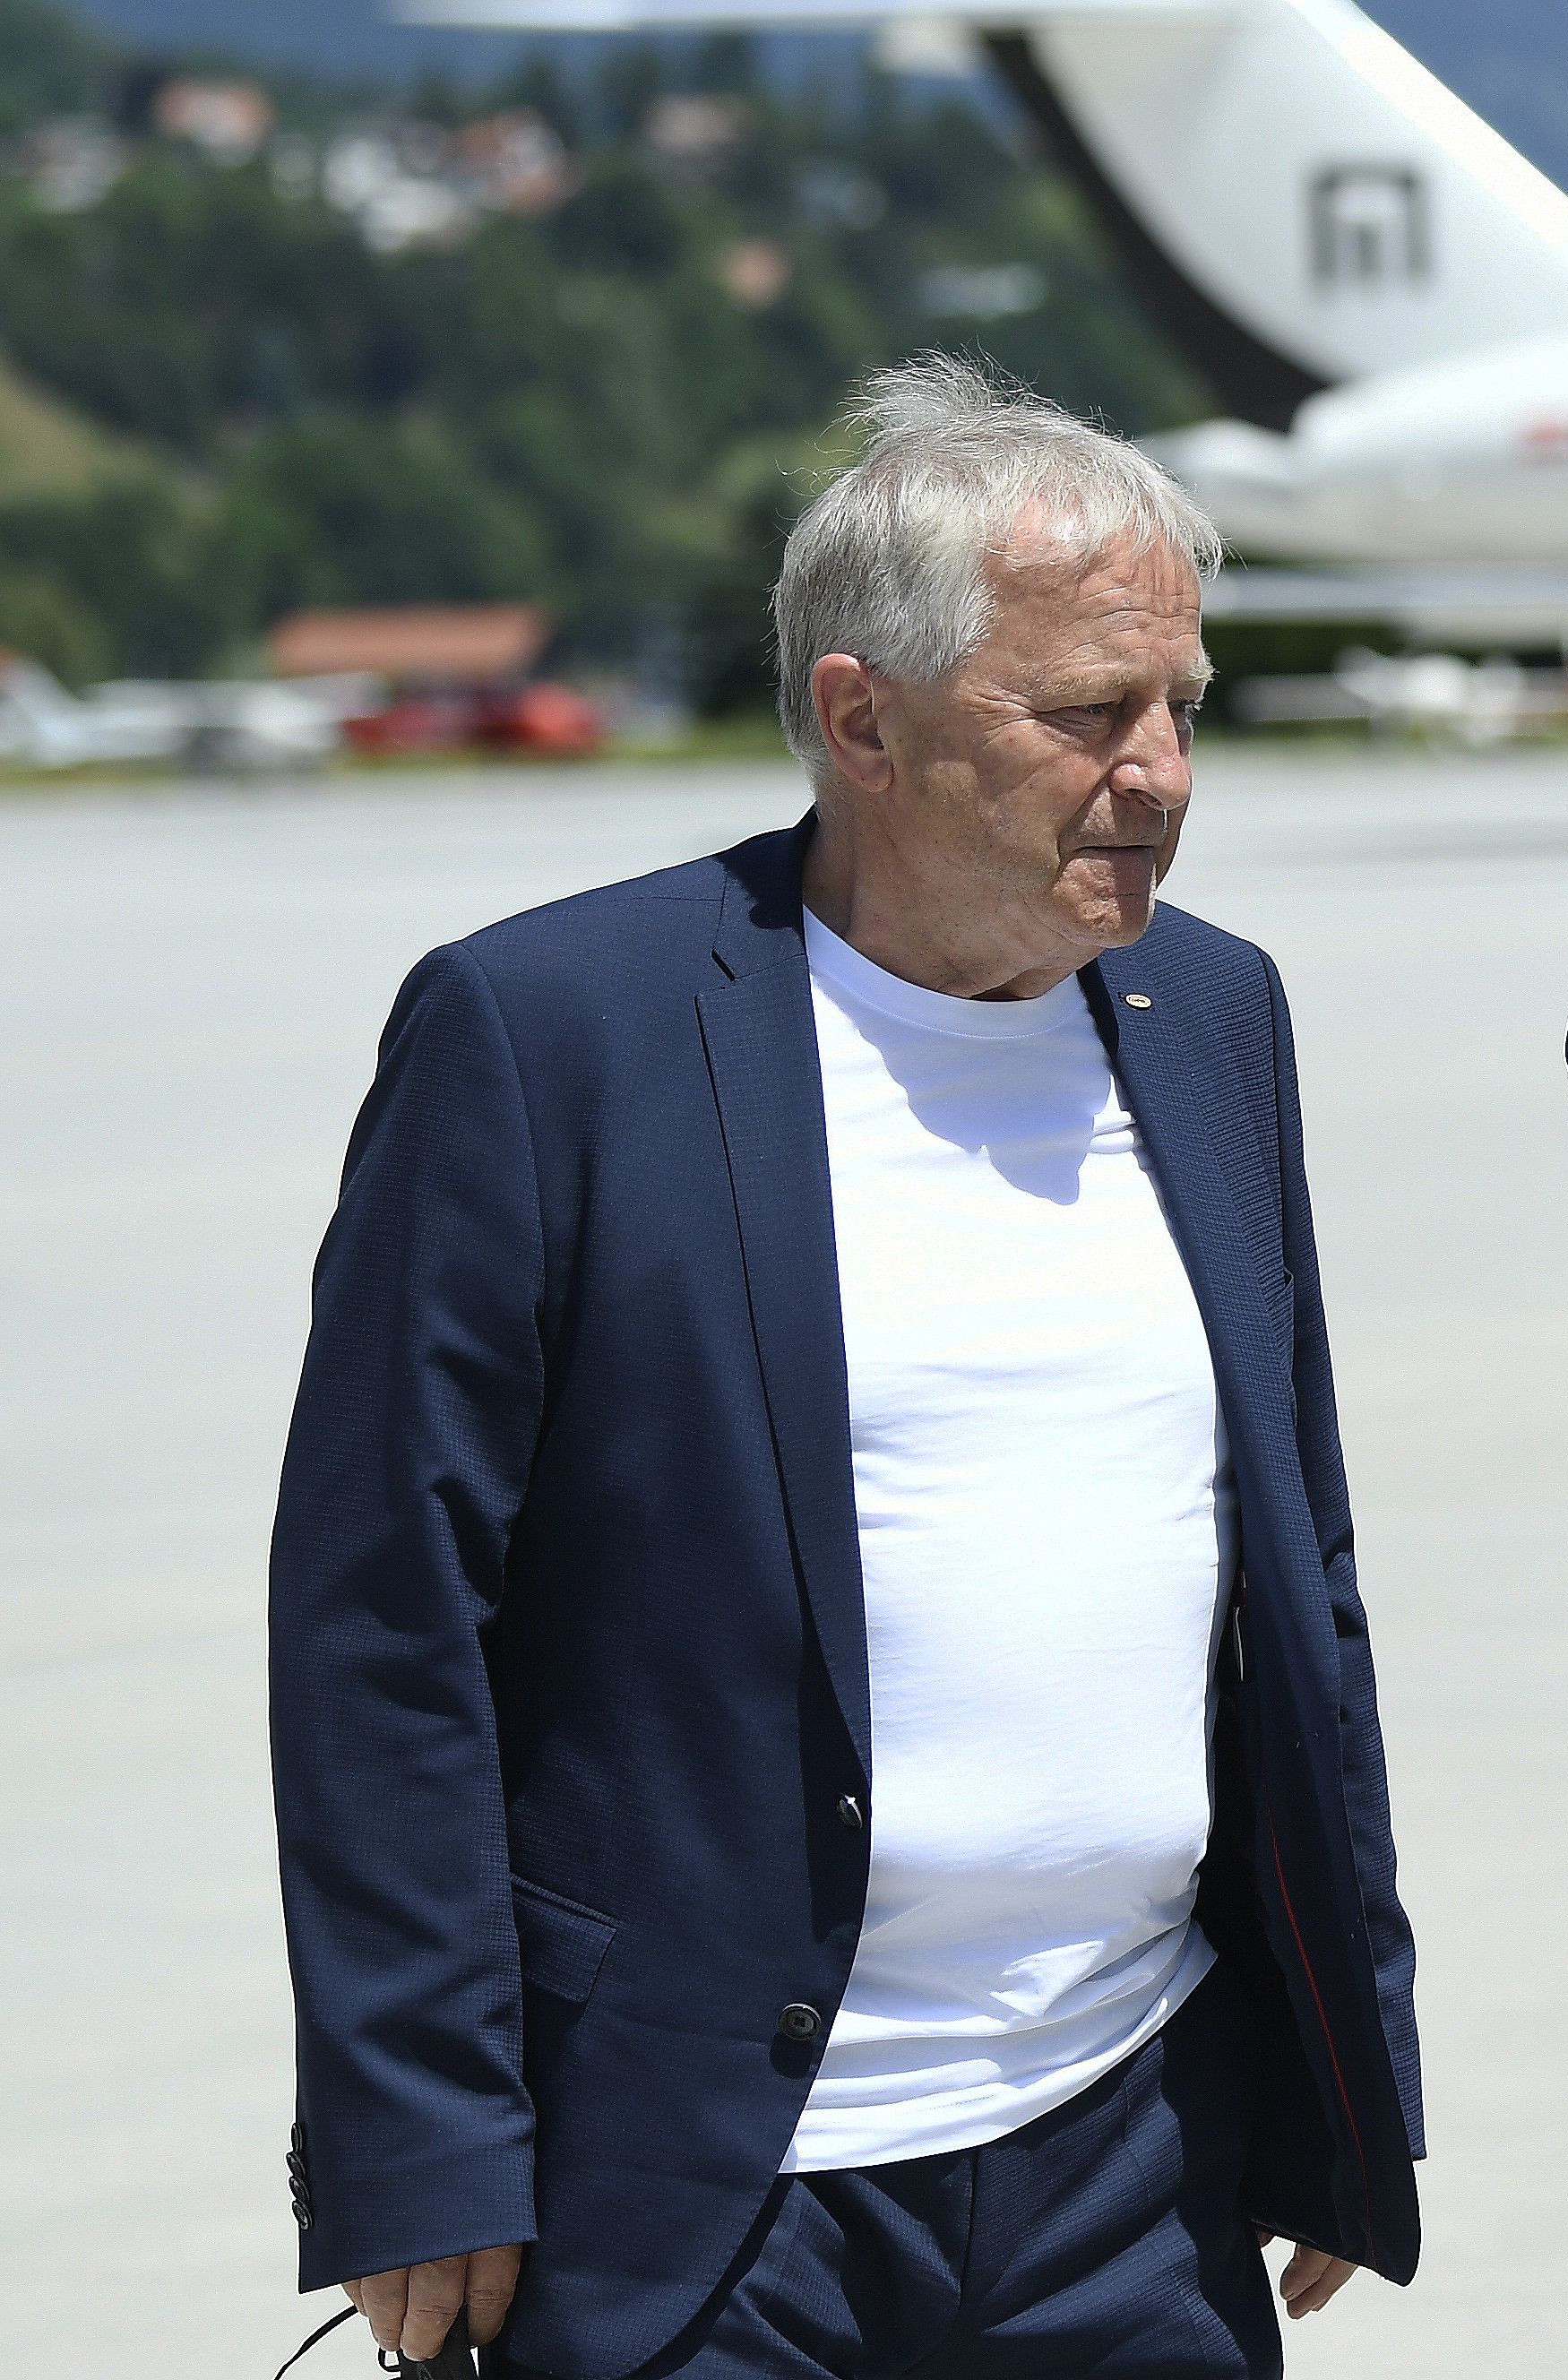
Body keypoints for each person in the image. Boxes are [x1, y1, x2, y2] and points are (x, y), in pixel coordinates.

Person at [269, 357, 1422, 2380]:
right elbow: (381, 1617)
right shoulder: (549, 1035)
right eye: (1081, 711)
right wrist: (421, 2128)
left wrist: (1340, 2074)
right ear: (860, 719)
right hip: (699, 2194)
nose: (1154, 769)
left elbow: (1297, 1570)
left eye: (1182, 705)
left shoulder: (1213, 1013)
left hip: (1133, 2152)